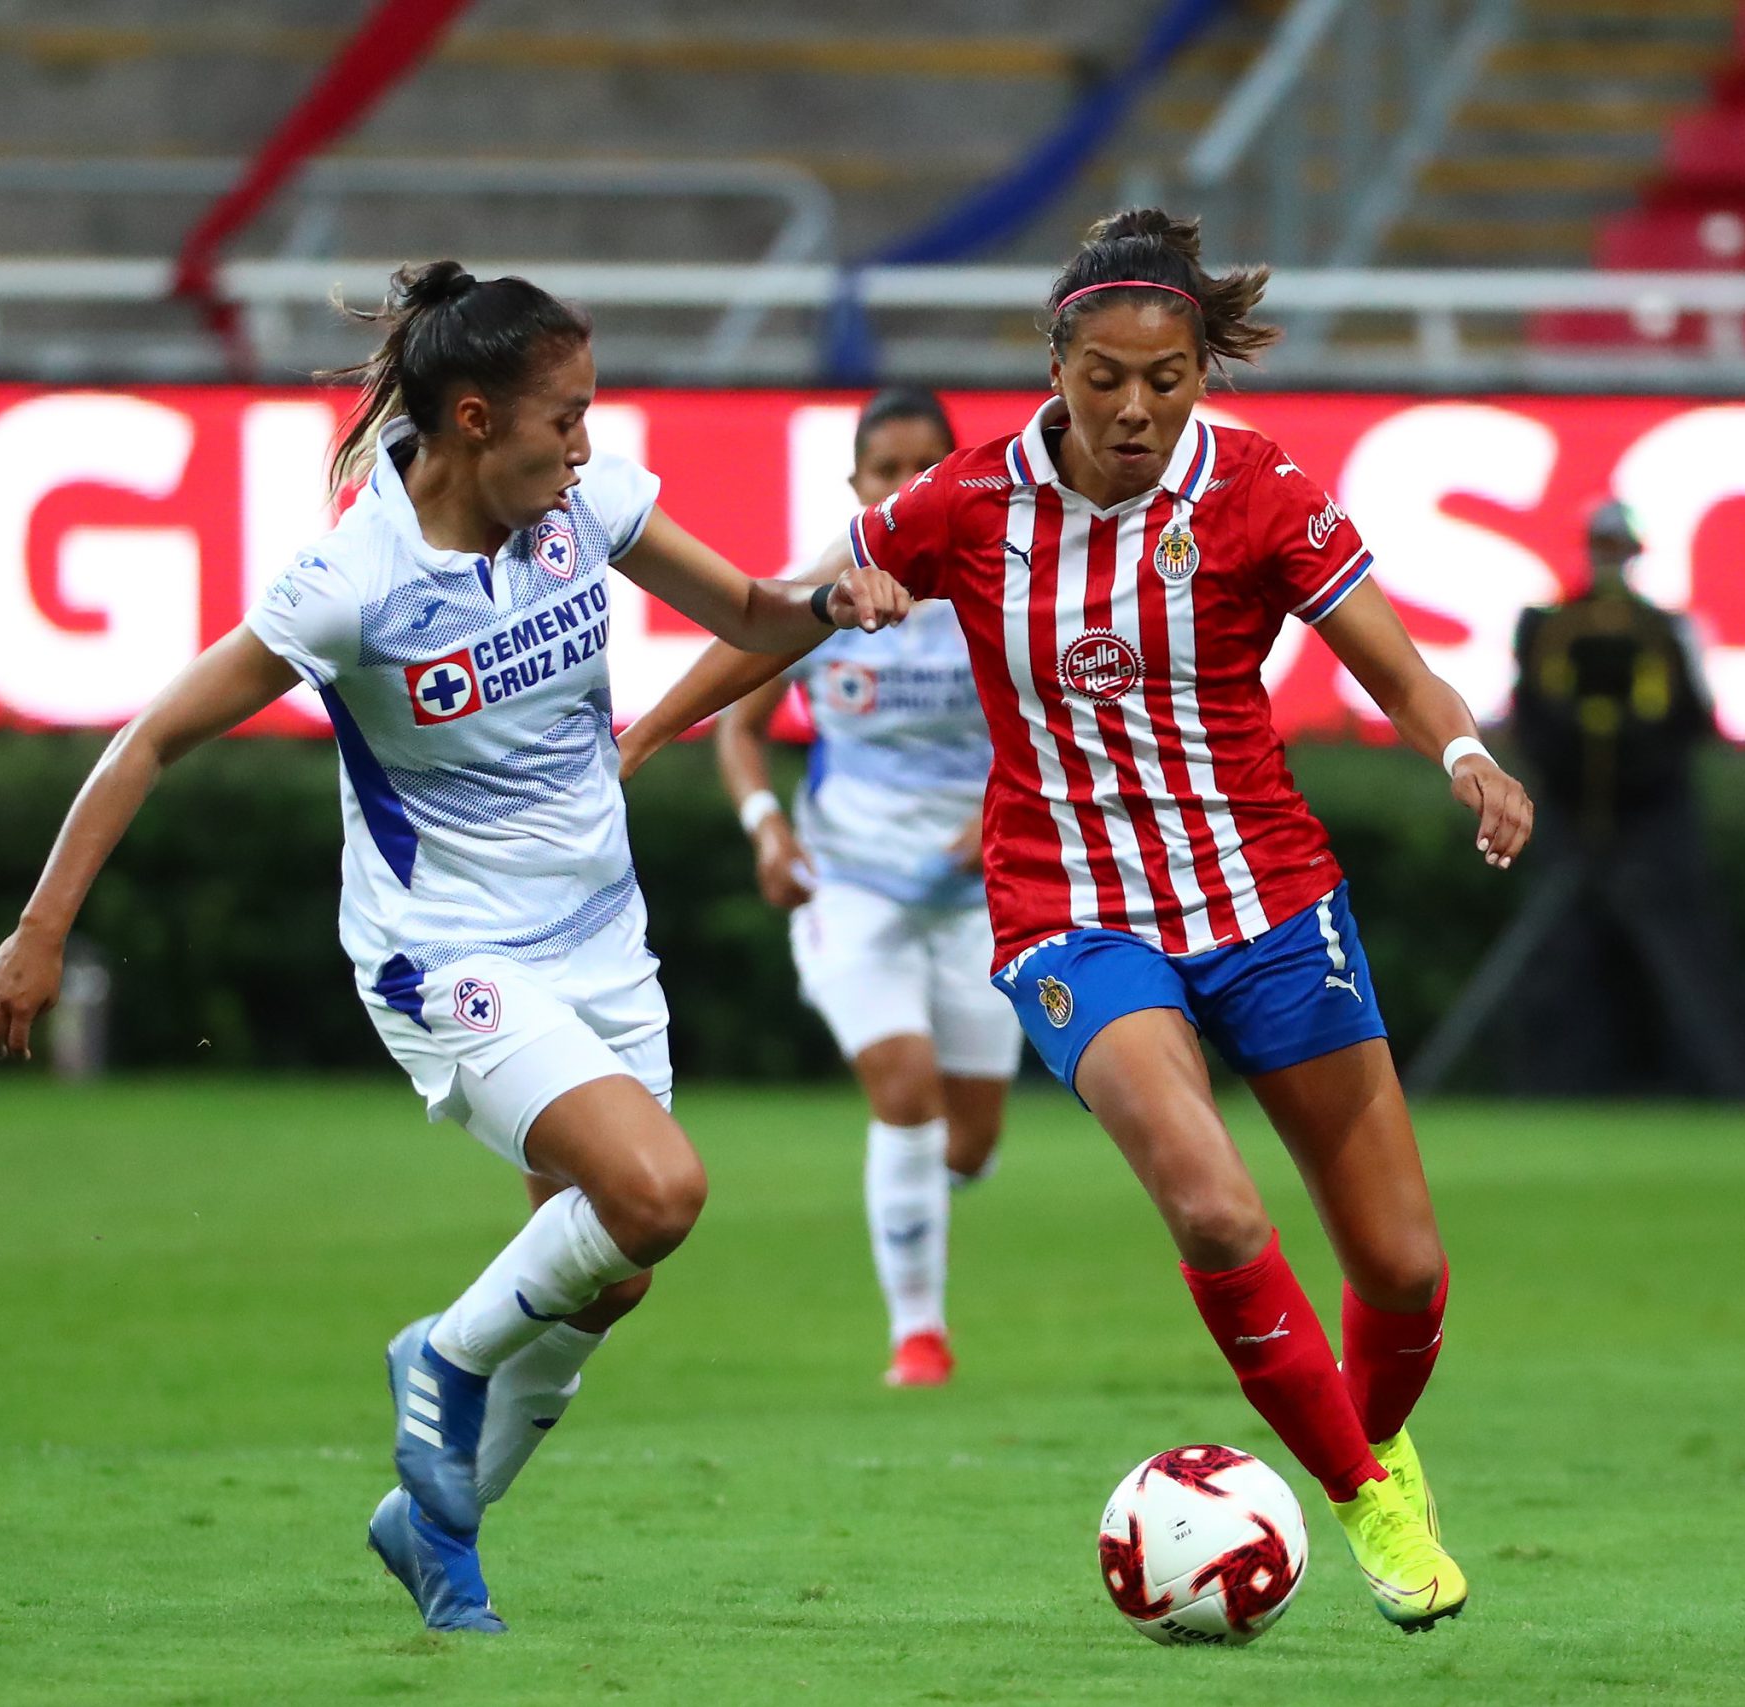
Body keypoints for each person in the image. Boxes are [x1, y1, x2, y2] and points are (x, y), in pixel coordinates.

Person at [0, 262, 910, 1635]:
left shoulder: (587, 504)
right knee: (656, 1191)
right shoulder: (353, 579)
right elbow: (149, 735)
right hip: (449, 953)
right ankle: (442, 1354)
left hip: (601, 936)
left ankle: (434, 1524)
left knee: (613, 1266)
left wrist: (829, 607)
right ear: (473, 417)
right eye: (562, 419)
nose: (586, 444)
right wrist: (42, 930)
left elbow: (753, 610)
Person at [647, 210, 1534, 1631]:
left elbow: (1400, 668)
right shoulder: (964, 499)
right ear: (1051, 362)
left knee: (1405, 1267)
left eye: (1167, 378)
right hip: (1071, 910)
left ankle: (1355, 1448)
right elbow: (777, 615)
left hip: (1266, 893)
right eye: (1104, 377)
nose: (1134, 409)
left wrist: (1466, 755)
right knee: (1212, 1199)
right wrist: (645, 733)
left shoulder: (1258, 489)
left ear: (1202, 371)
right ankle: (1365, 1497)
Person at [618, 388, 1021, 1390]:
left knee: (966, 1142)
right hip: (852, 887)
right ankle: (917, 1338)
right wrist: (767, 829)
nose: (907, 487)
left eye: (927, 466)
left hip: (980, 895)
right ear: (856, 485)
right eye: (887, 470)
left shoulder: (999, 595)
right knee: (905, 1093)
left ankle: (924, 1192)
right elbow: (743, 729)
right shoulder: (822, 598)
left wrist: (1005, 813)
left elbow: (1052, 733)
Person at [1494, 500, 1745, 1097]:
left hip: (1653, 822)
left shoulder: (1667, 630)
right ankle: (1552, 1086)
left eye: (1619, 550)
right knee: (1563, 958)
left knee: (1682, 961)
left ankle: (1718, 1086)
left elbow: (1691, 720)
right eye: (1604, 547)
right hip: (1573, 814)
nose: (1611, 562)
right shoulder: (1549, 627)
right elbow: (1533, 720)